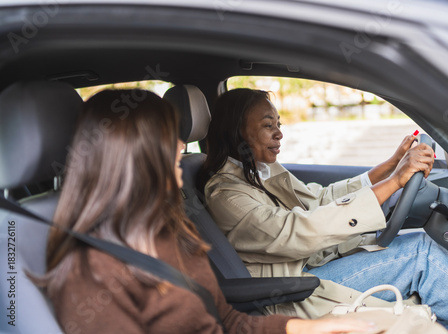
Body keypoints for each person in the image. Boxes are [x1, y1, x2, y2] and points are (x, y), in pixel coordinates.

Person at [37, 89, 379, 334]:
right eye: (169, 137)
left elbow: (229, 322)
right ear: (133, 156)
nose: (182, 146)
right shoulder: (90, 276)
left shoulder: (171, 230)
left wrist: (306, 329)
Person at [199, 88, 448, 334]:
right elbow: (298, 230)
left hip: (314, 265)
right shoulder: (226, 193)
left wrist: (390, 167)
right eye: (268, 125)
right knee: (421, 254)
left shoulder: (261, 171)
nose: (279, 133)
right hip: (297, 289)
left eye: (279, 123)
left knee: (430, 246)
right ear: (236, 132)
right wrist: (395, 181)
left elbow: (319, 199)